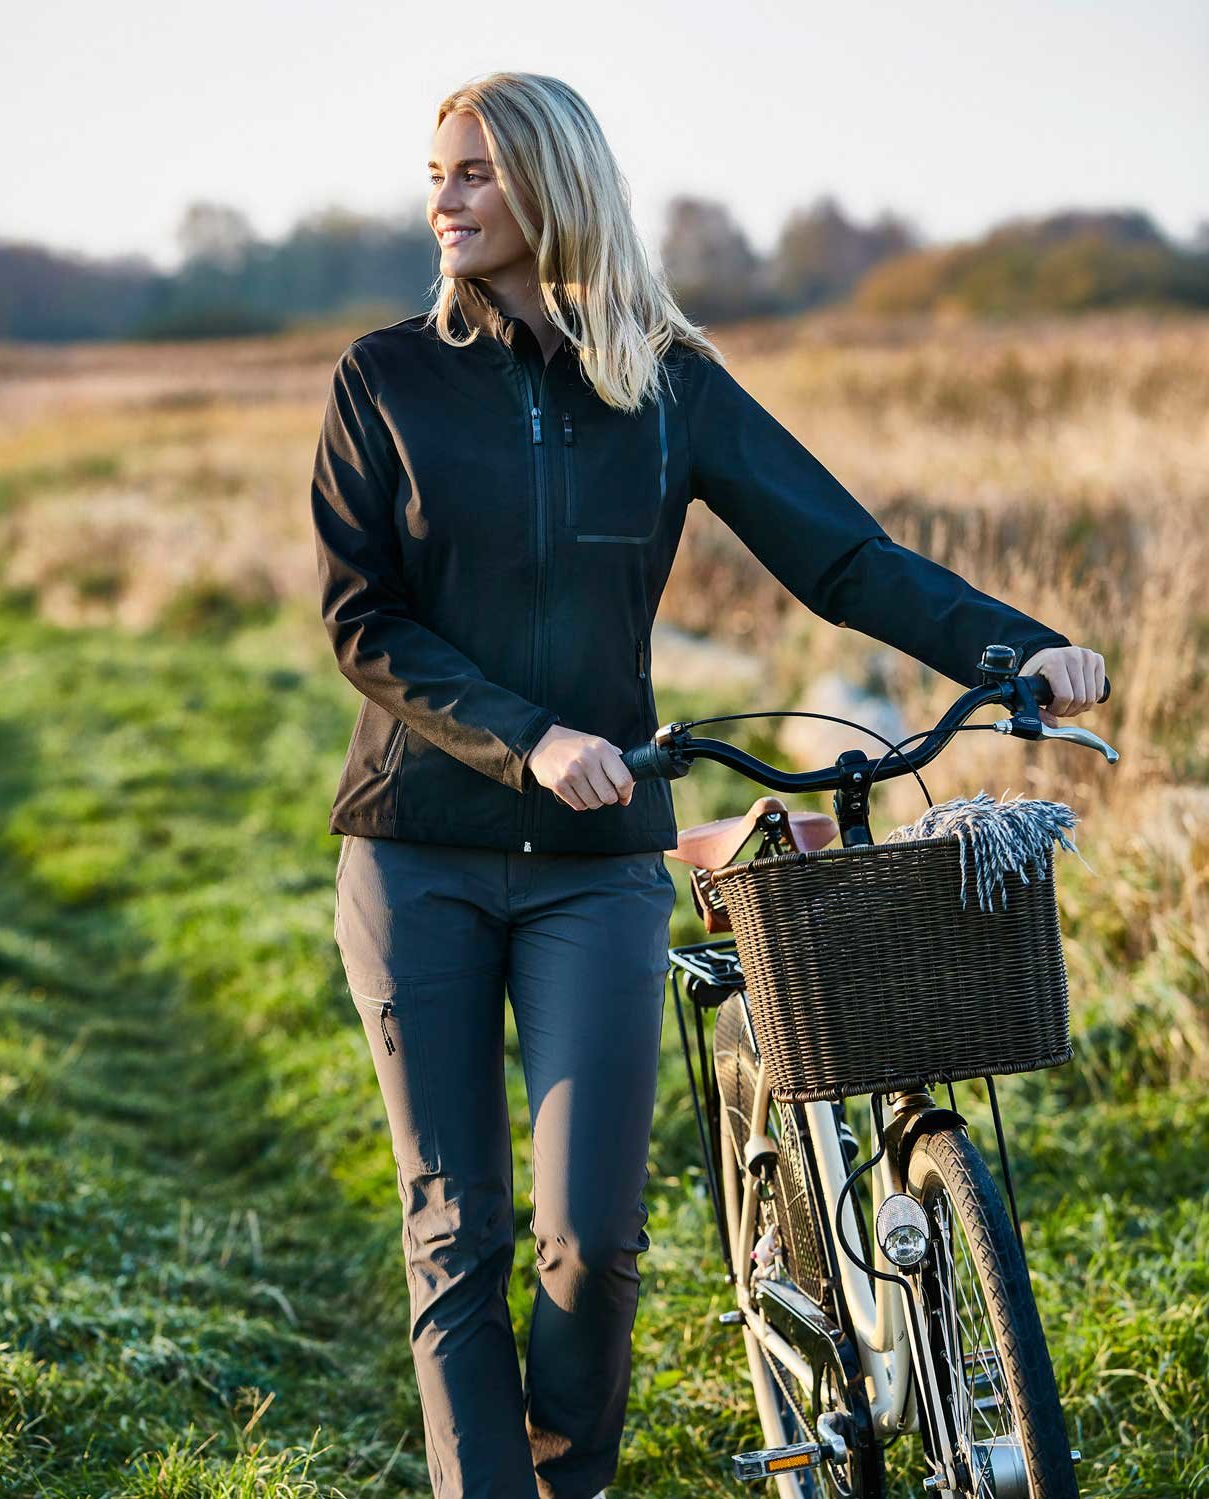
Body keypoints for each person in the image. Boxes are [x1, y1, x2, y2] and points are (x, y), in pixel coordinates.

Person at [309, 71, 1108, 1499]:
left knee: (594, 1244)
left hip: (599, 867)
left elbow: (844, 558)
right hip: (415, 849)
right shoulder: (387, 378)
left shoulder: (663, 382)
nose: (444, 197)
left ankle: (571, 1478)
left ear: (554, 187)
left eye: (476, 173)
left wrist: (1024, 649)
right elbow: (363, 621)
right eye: (437, 171)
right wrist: (530, 738)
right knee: (456, 1233)